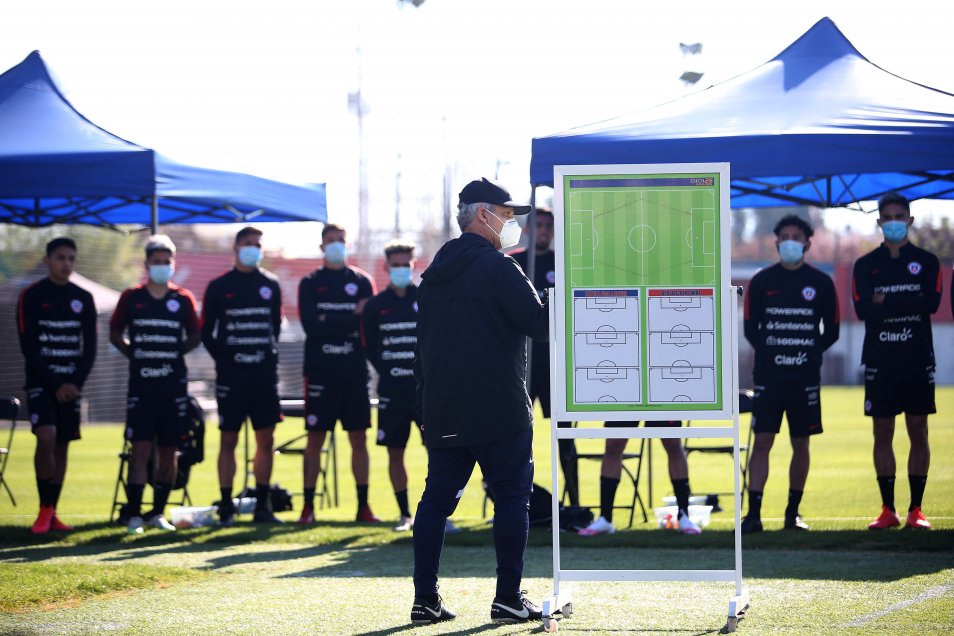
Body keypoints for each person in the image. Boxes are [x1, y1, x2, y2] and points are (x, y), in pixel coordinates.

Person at [411, 177, 548, 626]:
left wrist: (424, 409)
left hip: (445, 408)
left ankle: (424, 599)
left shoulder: (433, 273)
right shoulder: (500, 267)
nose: (512, 224)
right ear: (483, 213)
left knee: (435, 502)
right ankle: (508, 598)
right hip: (500, 407)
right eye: (507, 215)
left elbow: (422, 349)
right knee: (511, 499)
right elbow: (539, 323)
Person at [741, 215, 839, 533]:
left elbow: (833, 331)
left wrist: (807, 353)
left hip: (804, 379)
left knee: (801, 444)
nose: (791, 242)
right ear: (776, 242)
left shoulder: (822, 283)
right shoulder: (761, 281)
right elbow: (750, 329)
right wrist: (774, 354)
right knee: (762, 442)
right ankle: (753, 516)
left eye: (797, 237)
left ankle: (792, 514)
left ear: (808, 243)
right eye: (785, 237)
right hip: (769, 378)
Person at [852, 193, 941, 530]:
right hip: (880, 360)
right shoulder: (865, 265)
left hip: (917, 358)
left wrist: (886, 298)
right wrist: (909, 300)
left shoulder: (928, 262)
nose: (892, 221)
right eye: (886, 216)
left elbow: (930, 304)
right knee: (882, 432)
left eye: (898, 216)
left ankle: (916, 510)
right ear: (879, 222)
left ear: (910, 220)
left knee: (918, 430)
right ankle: (888, 510)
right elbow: (863, 310)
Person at [360, 240, 460, 534]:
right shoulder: (375, 306)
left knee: (437, 451)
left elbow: (439, 341)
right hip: (392, 392)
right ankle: (404, 514)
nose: (401, 269)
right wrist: (391, 372)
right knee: (394, 450)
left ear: (414, 266)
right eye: (396, 265)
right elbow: (370, 347)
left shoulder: (427, 298)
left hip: (426, 392)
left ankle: (439, 514)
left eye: (406, 264)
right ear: (386, 267)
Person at [109, 235, 201, 534]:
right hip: (142, 389)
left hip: (173, 388)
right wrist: (133, 353)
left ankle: (157, 513)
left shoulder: (183, 298)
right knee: (140, 450)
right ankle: (134, 515)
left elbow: (195, 335)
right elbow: (115, 331)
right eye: (156, 262)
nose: (162, 267)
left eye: (167, 262)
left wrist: (173, 354)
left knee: (169, 451)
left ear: (173, 264)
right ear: (146, 263)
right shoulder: (131, 297)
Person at [201, 227, 284, 525]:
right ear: (236, 248)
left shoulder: (271, 284)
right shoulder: (219, 286)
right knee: (228, 440)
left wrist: (264, 359)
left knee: (266, 439)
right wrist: (226, 360)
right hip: (231, 378)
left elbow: (274, 328)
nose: (253, 248)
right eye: (247, 244)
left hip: (263, 377)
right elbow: (206, 331)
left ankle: (262, 504)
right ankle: (226, 505)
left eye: (257, 244)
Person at [298, 223, 379, 523]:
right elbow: (311, 326)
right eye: (331, 241)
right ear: (321, 246)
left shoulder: (362, 281)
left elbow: (366, 326)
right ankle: (307, 508)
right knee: (315, 439)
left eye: (341, 241)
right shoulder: (309, 283)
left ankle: (363, 507)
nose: (336, 245)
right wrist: (350, 314)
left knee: (359, 440)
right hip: (320, 373)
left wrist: (329, 318)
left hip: (354, 373)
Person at [16, 238, 97, 534]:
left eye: (71, 258)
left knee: (62, 445)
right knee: (46, 437)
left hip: (71, 387)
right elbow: (29, 347)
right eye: (61, 258)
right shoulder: (31, 296)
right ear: (48, 260)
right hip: (42, 384)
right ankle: (43, 509)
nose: (67, 263)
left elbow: (89, 349)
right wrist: (54, 384)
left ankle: (53, 512)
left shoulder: (84, 298)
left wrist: (75, 384)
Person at [509, 207, 579, 506]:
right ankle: (510, 500)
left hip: (555, 364)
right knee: (513, 434)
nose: (544, 231)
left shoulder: (563, 264)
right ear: (528, 230)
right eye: (538, 225)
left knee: (565, 435)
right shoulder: (513, 263)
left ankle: (575, 502)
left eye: (549, 226)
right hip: (520, 365)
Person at [577, 422, 701, 536]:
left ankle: (684, 515)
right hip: (626, 398)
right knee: (613, 444)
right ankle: (605, 518)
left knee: (672, 442)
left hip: (660, 398)